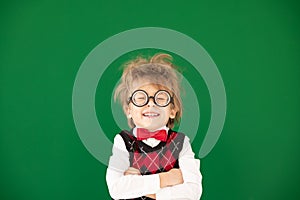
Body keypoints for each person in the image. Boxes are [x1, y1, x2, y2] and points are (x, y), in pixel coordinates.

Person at [106, 53, 202, 200]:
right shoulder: (123, 141)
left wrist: (139, 187)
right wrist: (167, 179)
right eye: (141, 98)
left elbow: (193, 193)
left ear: (172, 110)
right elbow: (116, 189)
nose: (151, 103)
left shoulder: (181, 142)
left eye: (161, 98)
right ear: (129, 110)